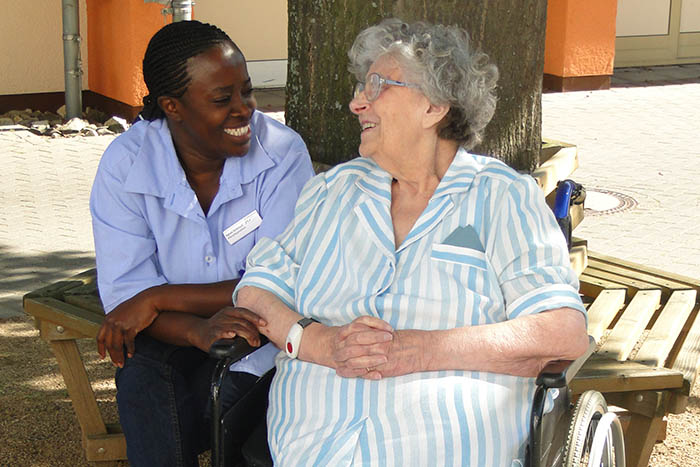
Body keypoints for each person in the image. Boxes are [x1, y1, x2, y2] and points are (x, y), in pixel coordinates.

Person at [231, 18, 589, 466]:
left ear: (434, 106)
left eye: (376, 85)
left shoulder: (501, 197)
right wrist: (317, 341)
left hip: (444, 450)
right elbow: (257, 288)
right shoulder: (331, 191)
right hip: (315, 447)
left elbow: (563, 331)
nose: (356, 103)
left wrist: (418, 350)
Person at [89, 20, 314, 467]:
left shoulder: (282, 154)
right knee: (144, 377)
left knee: (220, 404)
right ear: (172, 106)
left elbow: (281, 282)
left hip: (261, 336)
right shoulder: (125, 165)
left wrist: (157, 298)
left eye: (247, 91)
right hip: (169, 335)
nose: (244, 108)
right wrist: (194, 329)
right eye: (221, 99)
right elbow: (126, 302)